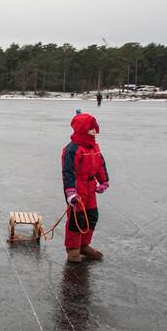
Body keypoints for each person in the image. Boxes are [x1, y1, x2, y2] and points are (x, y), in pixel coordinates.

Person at [62, 112, 110, 263]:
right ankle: (73, 249)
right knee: (77, 219)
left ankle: (84, 245)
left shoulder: (94, 147)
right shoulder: (72, 149)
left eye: (95, 129)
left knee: (91, 216)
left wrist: (103, 181)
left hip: (91, 187)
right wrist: (70, 192)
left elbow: (101, 165)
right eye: (91, 129)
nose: (94, 131)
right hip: (78, 187)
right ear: (83, 129)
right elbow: (68, 172)